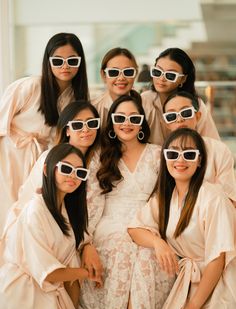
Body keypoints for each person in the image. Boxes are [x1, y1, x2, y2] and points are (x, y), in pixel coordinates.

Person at [128, 128, 236, 309]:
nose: (180, 160)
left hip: (222, 284)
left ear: (199, 161)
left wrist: (193, 308)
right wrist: (158, 243)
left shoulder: (213, 197)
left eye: (188, 154)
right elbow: (135, 229)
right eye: (173, 153)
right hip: (188, 284)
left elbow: (218, 258)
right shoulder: (165, 198)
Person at [80, 95, 175, 309]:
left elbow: (166, 196)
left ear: (142, 122)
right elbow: (90, 202)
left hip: (147, 222)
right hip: (109, 223)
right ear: (111, 123)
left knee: (148, 255)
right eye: (120, 118)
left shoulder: (157, 154)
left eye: (134, 118)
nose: (126, 123)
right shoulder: (101, 156)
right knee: (122, 248)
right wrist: (86, 241)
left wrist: (152, 229)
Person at [0, 143, 108, 309]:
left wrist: (88, 247)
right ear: (47, 169)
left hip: (49, 293)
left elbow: (79, 238)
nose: (73, 176)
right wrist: (87, 273)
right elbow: (49, 273)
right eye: (66, 169)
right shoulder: (35, 212)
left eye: (80, 172)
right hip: (24, 294)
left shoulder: (66, 210)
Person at [2, 100, 102, 281]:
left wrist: (87, 242)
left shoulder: (99, 164)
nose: (86, 129)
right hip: (45, 236)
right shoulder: (50, 160)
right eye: (78, 124)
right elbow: (32, 204)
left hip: (77, 235)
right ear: (67, 130)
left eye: (92, 123)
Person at [0, 32, 89, 234]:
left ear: (80, 62)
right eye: (57, 60)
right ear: (48, 61)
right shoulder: (30, 86)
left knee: (28, 213)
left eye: (72, 60)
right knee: (5, 211)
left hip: (39, 160)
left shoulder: (76, 98)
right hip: (9, 156)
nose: (65, 66)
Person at [161, 91, 236, 205]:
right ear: (166, 123)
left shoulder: (219, 150)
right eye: (171, 116)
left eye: (186, 113)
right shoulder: (162, 154)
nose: (179, 119)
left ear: (197, 116)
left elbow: (229, 197)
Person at [141, 47, 220, 145]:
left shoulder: (196, 104)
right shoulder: (144, 100)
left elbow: (213, 144)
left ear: (183, 79)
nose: (161, 78)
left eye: (170, 75)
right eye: (157, 72)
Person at [92, 47, 140, 129]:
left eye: (128, 72)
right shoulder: (93, 109)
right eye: (113, 72)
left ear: (135, 74)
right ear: (103, 75)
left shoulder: (147, 106)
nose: (121, 78)